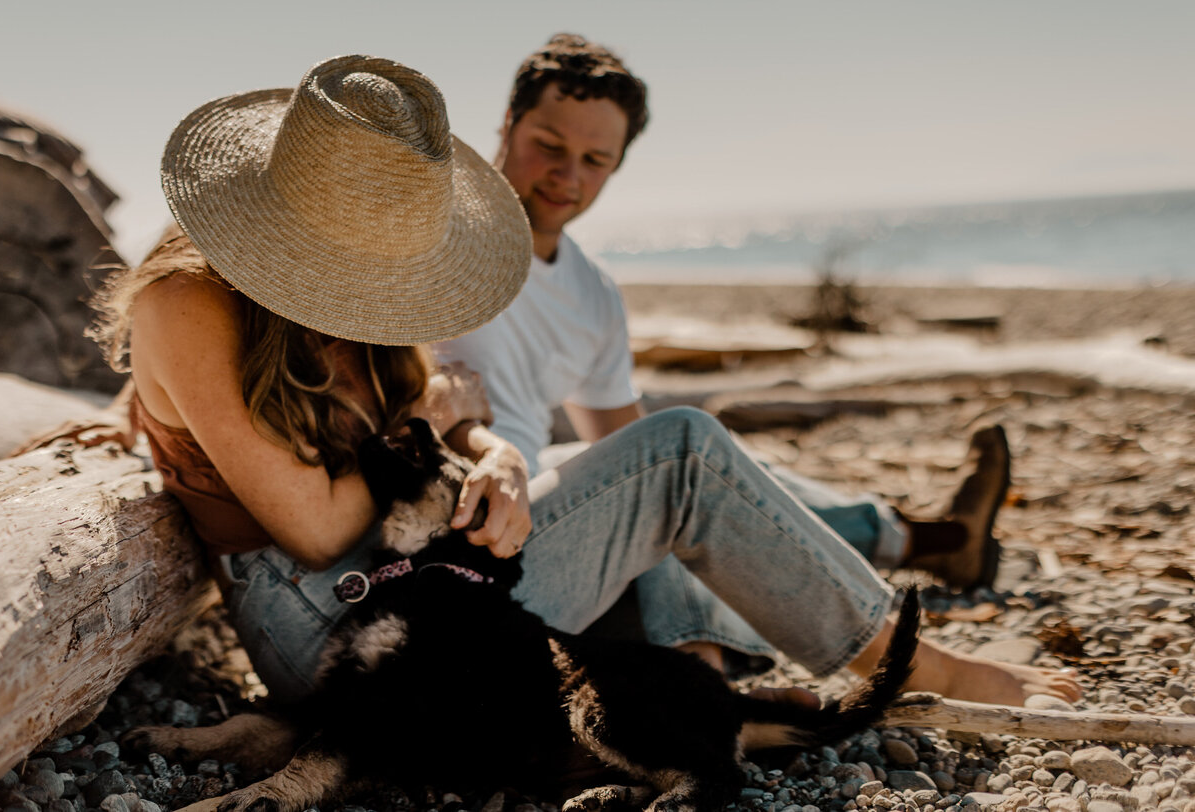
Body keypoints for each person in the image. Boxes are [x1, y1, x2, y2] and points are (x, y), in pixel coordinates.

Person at [436, 35, 1079, 705]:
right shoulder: (430, 241)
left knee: (711, 461)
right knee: (687, 451)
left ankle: (708, 671)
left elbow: (618, 449)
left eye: (596, 159)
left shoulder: (592, 293)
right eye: (549, 144)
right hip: (463, 547)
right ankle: (902, 642)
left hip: (543, 535)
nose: (568, 174)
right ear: (507, 123)